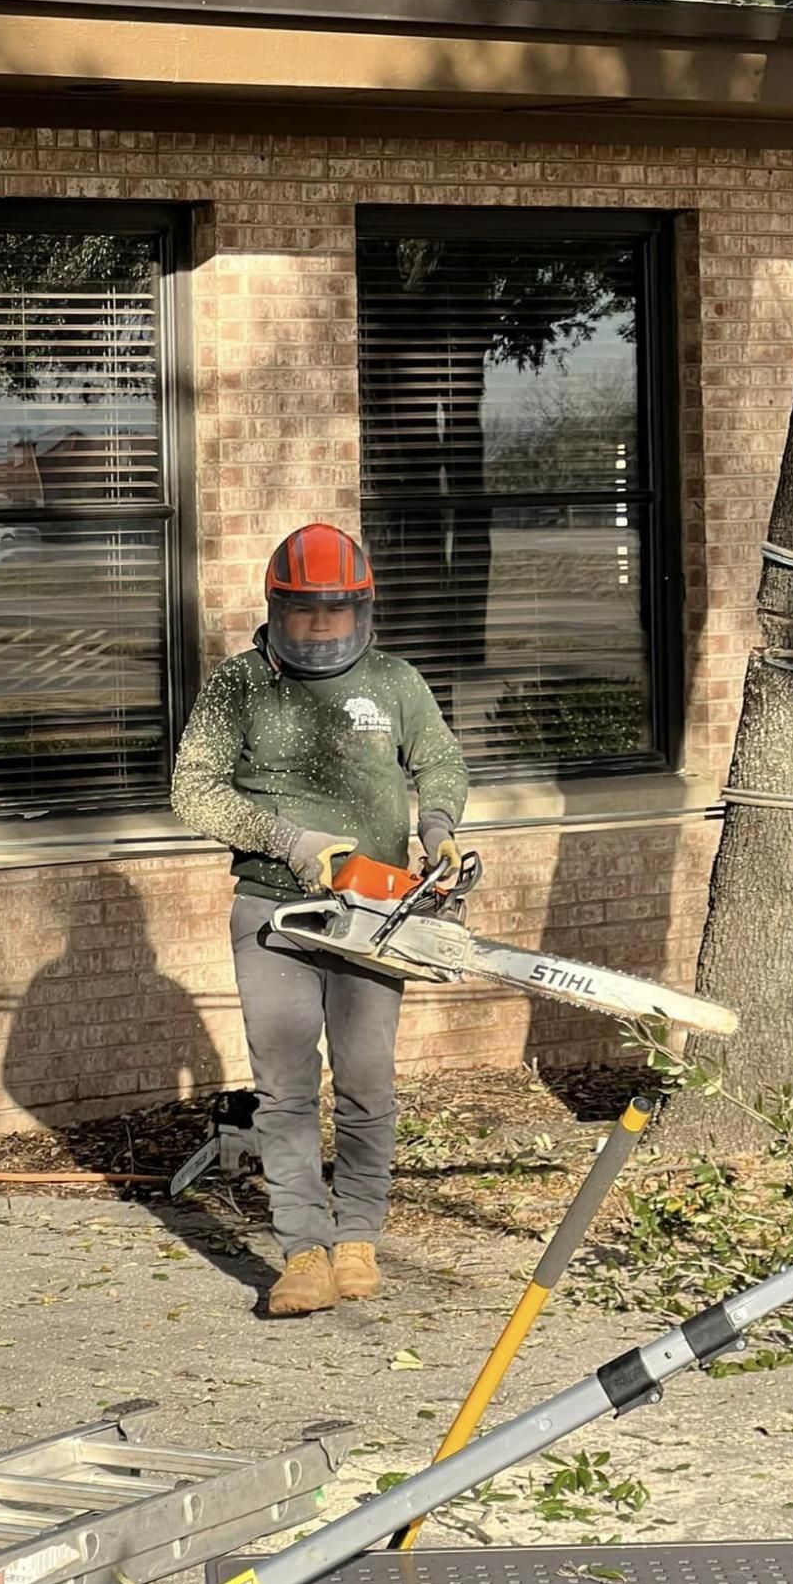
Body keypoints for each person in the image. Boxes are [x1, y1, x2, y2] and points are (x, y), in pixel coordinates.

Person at [172, 522, 468, 1317]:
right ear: (279, 607)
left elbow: (440, 760)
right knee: (286, 1085)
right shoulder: (238, 686)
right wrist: (289, 840)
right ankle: (303, 1248)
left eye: (337, 612)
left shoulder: (396, 682)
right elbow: (192, 789)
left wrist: (438, 827)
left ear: (361, 611)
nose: (322, 627)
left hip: (375, 910)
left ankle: (358, 1234)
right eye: (307, 612)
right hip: (273, 908)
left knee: (368, 1080)